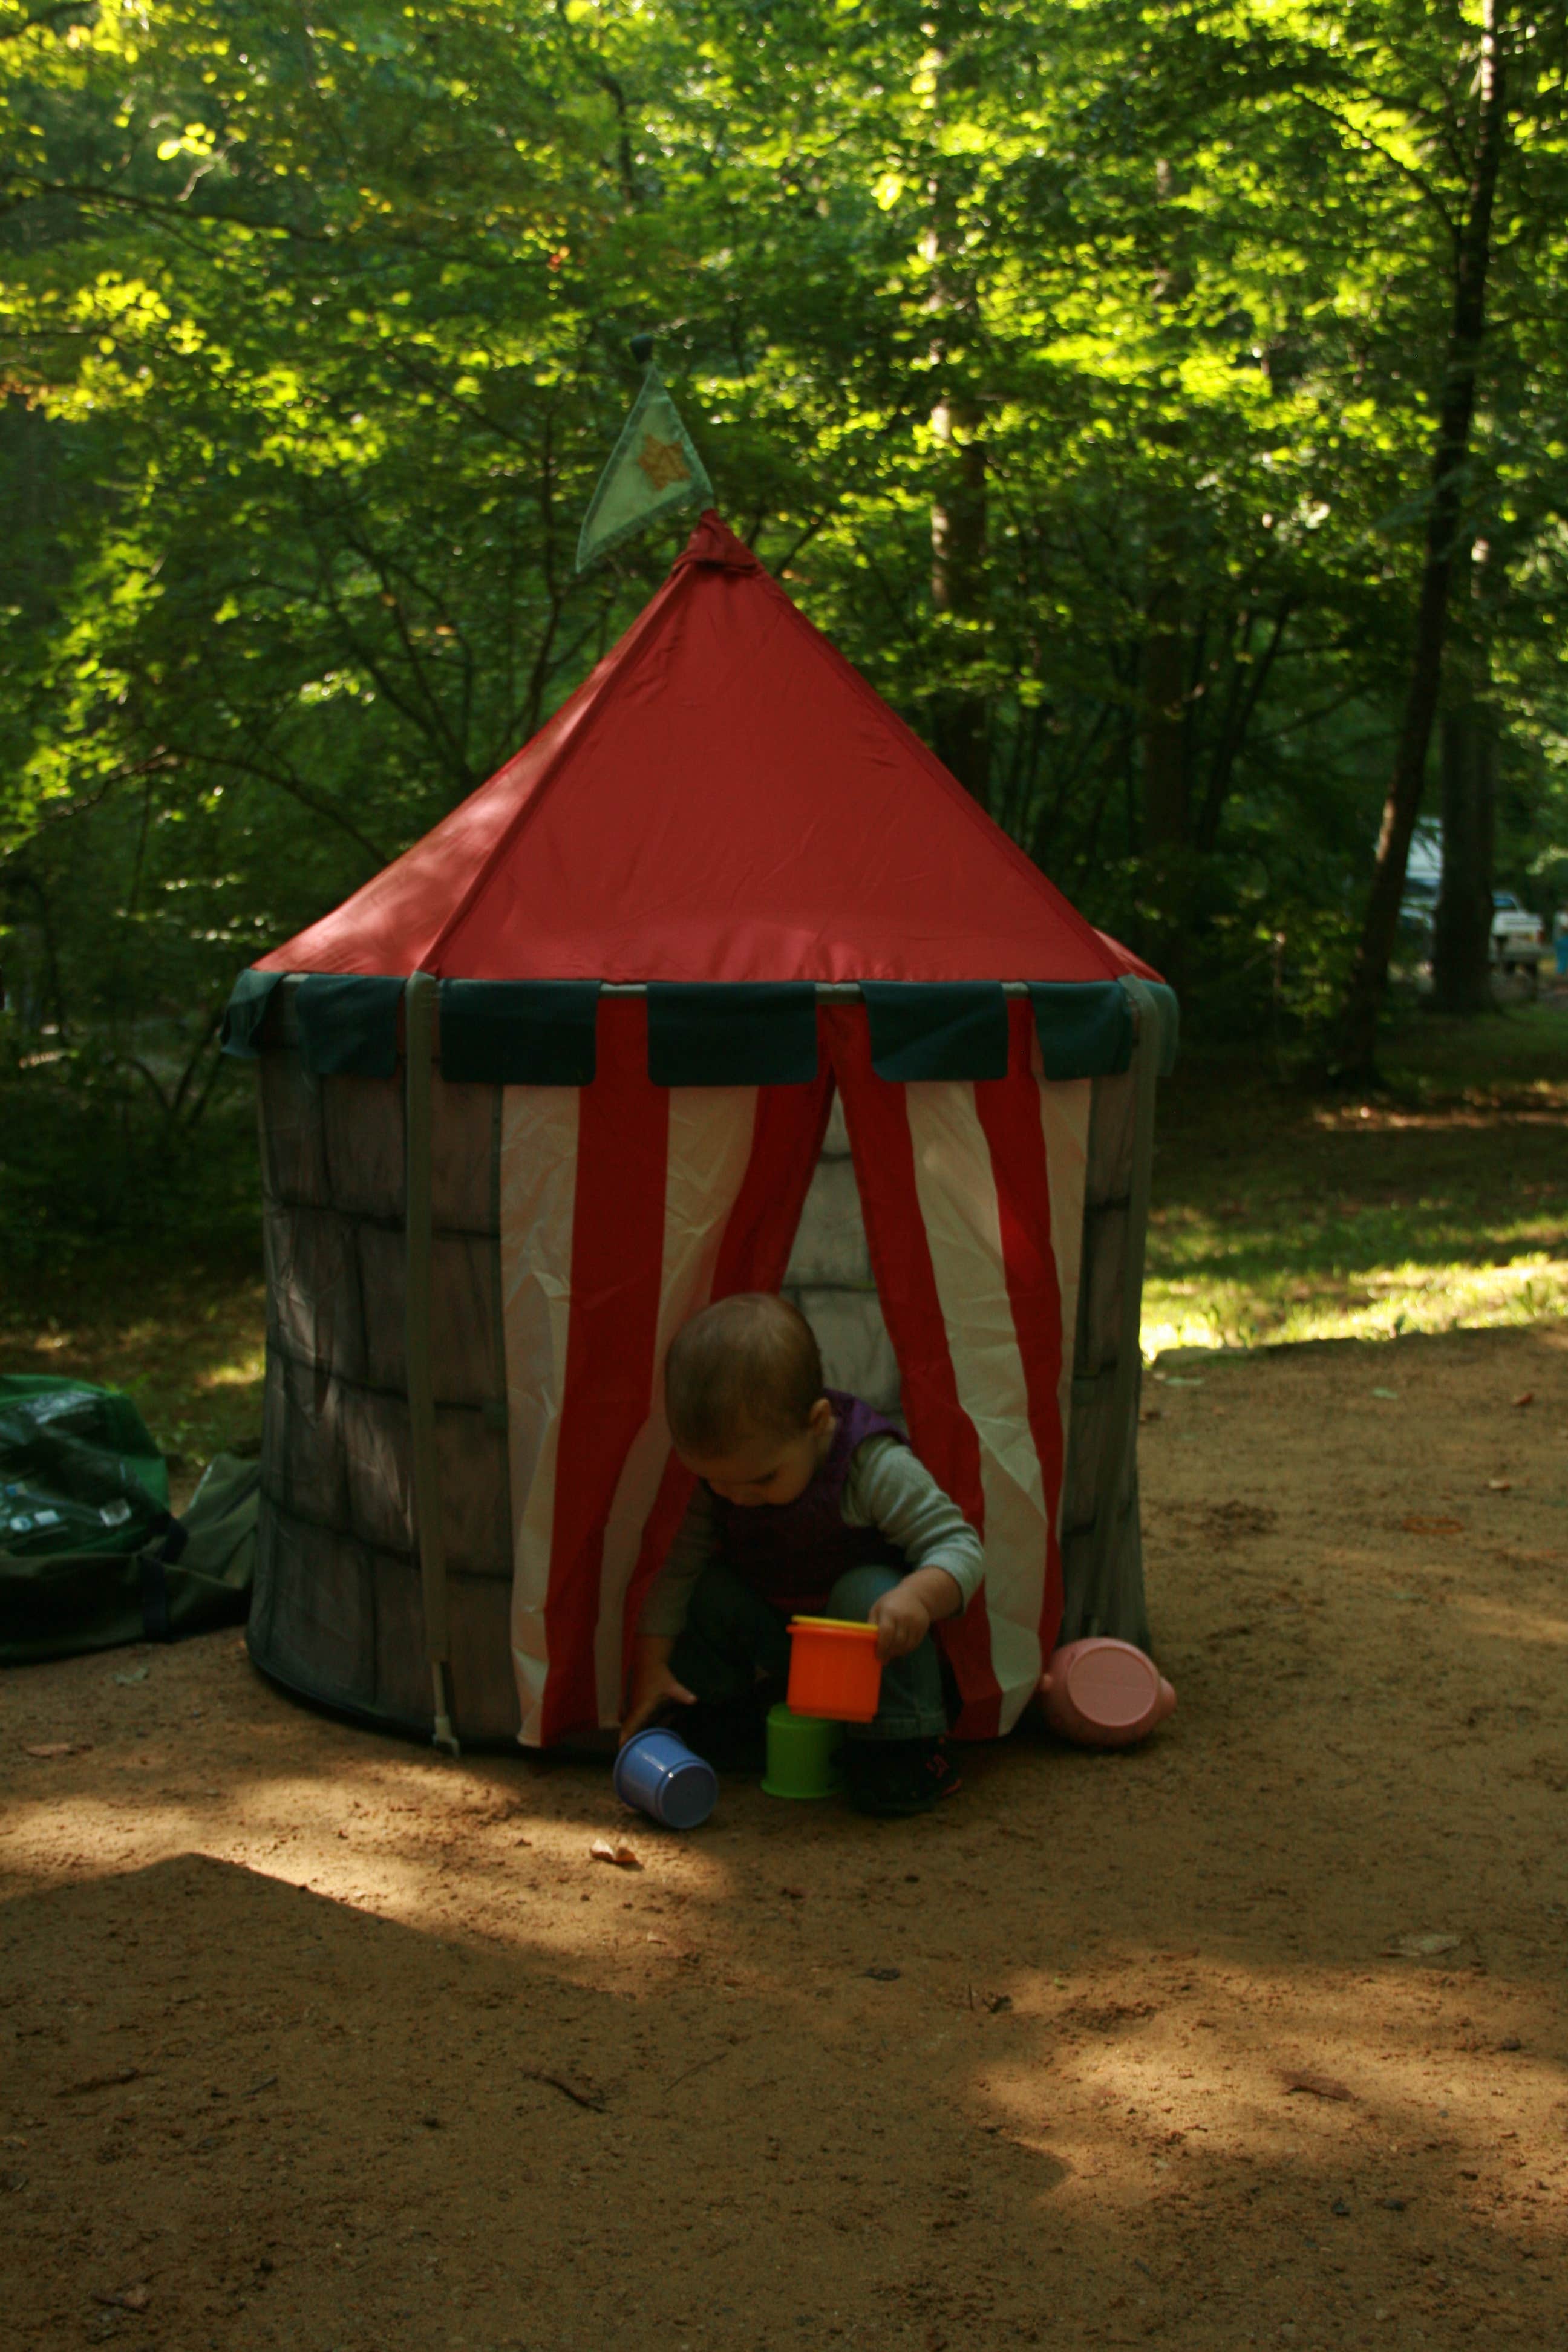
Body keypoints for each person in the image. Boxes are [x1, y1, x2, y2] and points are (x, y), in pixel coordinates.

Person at [622, 1292, 984, 1817]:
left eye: (763, 1479)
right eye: (716, 1481)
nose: (737, 1497)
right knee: (708, 1589)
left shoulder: (871, 1466)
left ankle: (905, 1745)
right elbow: (677, 1572)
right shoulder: (730, 1480)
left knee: (864, 1590)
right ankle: (723, 1719)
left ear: (817, 1423)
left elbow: (960, 1546)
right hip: (787, 1648)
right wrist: (651, 1669)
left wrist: (918, 1597)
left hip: (875, 1658)